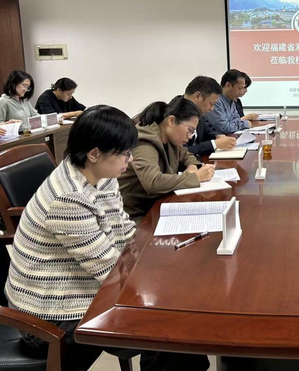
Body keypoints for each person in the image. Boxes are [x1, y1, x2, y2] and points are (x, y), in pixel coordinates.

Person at [4, 105, 210, 371]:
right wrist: (161, 275)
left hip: (84, 289)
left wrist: (159, 260)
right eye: (125, 154)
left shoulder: (100, 174)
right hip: (50, 315)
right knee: (167, 324)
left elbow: (124, 231)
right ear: (94, 153)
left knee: (178, 310)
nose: (130, 161)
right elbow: (110, 272)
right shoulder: (68, 199)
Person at [119, 97, 215, 220]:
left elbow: (187, 156)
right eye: (190, 130)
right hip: (138, 214)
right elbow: (153, 182)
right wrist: (195, 177)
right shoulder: (144, 142)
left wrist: (192, 167)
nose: (190, 136)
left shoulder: (171, 138)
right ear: (171, 121)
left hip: (160, 204)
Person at [176, 75, 236, 158]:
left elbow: (206, 128)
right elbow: (180, 152)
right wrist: (214, 144)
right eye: (211, 104)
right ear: (197, 96)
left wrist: (217, 136)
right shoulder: (176, 113)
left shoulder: (197, 111)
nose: (212, 109)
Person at [205, 69, 256, 134]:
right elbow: (224, 128)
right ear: (228, 85)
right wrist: (245, 124)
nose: (241, 92)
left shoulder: (231, 100)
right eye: (239, 88)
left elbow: (237, 120)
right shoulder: (216, 101)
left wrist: (234, 124)